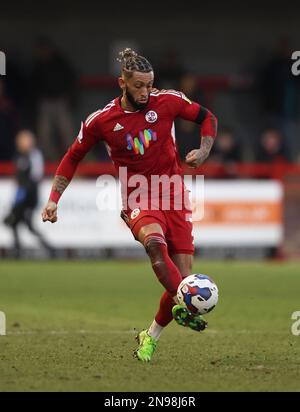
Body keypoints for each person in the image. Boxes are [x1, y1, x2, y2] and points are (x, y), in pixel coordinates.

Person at [41, 48, 218, 362]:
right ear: (122, 82)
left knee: (183, 275)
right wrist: (54, 200)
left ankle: (150, 336)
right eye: (139, 86)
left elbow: (208, 119)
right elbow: (72, 157)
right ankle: (184, 302)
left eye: (149, 85)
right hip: (138, 196)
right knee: (154, 244)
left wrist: (204, 150)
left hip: (174, 193)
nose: (146, 92)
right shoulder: (102, 120)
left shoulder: (168, 100)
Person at [4, 130, 54, 257]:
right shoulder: (20, 156)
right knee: (17, 223)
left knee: (20, 223)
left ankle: (47, 249)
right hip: (23, 196)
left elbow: (33, 179)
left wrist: (21, 199)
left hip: (29, 197)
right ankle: (19, 249)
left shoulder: (33, 156)